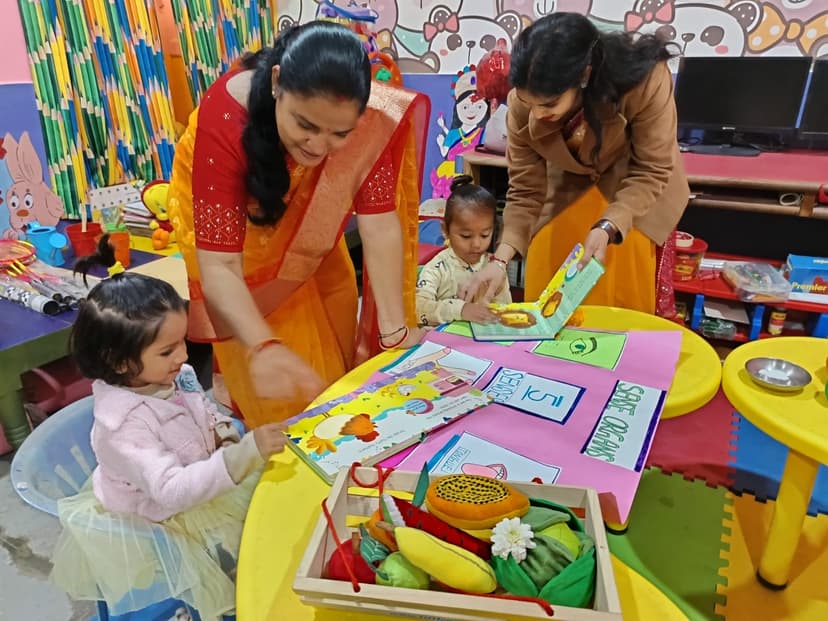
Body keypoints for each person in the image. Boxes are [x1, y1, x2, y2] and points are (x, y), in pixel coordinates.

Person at [168, 21, 429, 426]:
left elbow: (379, 225)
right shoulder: (222, 125)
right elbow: (220, 267)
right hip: (241, 249)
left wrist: (394, 332)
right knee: (299, 403)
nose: (318, 146)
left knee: (345, 355)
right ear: (276, 83)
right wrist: (262, 346)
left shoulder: (367, 122)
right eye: (305, 125)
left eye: (338, 134)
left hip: (312, 229)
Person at [50, 236, 286, 619]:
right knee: (248, 553)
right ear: (120, 361)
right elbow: (172, 492)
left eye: (181, 342)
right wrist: (243, 452)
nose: (184, 357)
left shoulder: (169, 376)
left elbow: (201, 408)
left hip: (194, 478)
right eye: (167, 350)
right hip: (157, 518)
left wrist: (222, 429)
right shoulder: (123, 429)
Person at [459, 13, 688, 315]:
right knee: (548, 293)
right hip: (566, 189)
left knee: (625, 296)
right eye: (530, 103)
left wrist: (609, 225)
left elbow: (652, 169)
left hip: (636, 190)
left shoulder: (644, 80)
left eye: (550, 104)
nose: (538, 114)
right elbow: (526, 190)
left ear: (584, 75)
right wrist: (499, 261)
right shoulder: (522, 106)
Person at [416, 175, 511, 326]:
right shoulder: (437, 268)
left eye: (485, 235)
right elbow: (419, 308)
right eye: (466, 236)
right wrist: (461, 310)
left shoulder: (494, 267)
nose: (477, 244)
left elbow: (505, 310)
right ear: (445, 230)